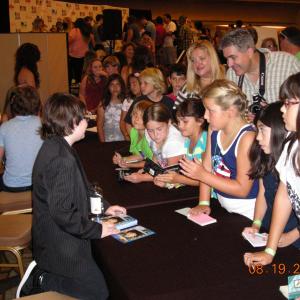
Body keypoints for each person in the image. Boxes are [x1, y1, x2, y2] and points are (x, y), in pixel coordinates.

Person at [25, 92, 126, 299]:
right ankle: (42, 278)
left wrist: (104, 206)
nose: (87, 120)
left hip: (58, 235)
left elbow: (84, 186)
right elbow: (62, 213)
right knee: (98, 291)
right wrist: (97, 229)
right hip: (59, 244)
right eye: (84, 117)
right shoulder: (61, 159)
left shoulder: (59, 145)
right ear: (72, 123)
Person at [180, 79, 258, 220]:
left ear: (231, 111)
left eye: (210, 111)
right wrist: (203, 202)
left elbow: (242, 189)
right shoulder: (214, 129)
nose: (205, 116)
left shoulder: (247, 138)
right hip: (223, 206)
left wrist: (202, 175)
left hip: (248, 213)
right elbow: (207, 166)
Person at [244, 72, 300, 267]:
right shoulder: (292, 146)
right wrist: (270, 250)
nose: (283, 109)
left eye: (289, 103)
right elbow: (283, 196)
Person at [220, 28, 300, 113]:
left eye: (233, 57)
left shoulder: (287, 63)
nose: (229, 64)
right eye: (227, 59)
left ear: (249, 52)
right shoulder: (231, 74)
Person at [124, 103, 185, 184]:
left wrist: (142, 177)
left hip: (179, 181)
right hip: (162, 174)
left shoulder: (174, 143)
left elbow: (171, 176)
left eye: (159, 129)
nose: (155, 135)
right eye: (150, 131)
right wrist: (149, 169)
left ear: (169, 122)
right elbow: (155, 153)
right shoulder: (147, 131)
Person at [155, 98, 207, 188]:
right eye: (178, 121)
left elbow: (206, 180)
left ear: (200, 121)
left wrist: (178, 179)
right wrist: (167, 183)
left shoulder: (206, 142)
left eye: (185, 121)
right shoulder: (187, 140)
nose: (180, 125)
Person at [0, 86, 43, 191]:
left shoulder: (5, 127)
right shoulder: (43, 123)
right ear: (37, 104)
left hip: (11, 185)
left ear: (13, 105)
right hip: (39, 184)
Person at [174, 40, 225, 110]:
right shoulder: (187, 88)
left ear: (212, 58)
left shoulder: (227, 84)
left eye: (202, 58)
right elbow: (176, 115)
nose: (197, 64)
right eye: (193, 60)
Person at [113, 100, 153, 169]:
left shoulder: (150, 138)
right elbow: (140, 155)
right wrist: (122, 159)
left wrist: (128, 164)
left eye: (141, 116)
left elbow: (151, 163)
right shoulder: (134, 131)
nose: (136, 119)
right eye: (134, 114)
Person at [97, 74, 126, 142]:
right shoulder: (103, 104)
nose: (115, 87)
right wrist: (103, 143)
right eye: (112, 84)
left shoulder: (127, 103)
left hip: (124, 140)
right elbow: (99, 126)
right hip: (108, 141)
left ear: (121, 86)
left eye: (117, 84)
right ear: (108, 87)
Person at [68, 18, 95, 84]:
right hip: (84, 56)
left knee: (72, 74)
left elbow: (68, 41)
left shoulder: (75, 30)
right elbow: (94, 44)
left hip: (73, 55)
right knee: (82, 74)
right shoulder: (86, 32)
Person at [119, 73, 142, 140]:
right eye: (130, 84)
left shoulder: (148, 99)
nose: (132, 87)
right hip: (130, 136)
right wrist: (126, 135)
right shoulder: (128, 101)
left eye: (134, 83)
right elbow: (122, 122)